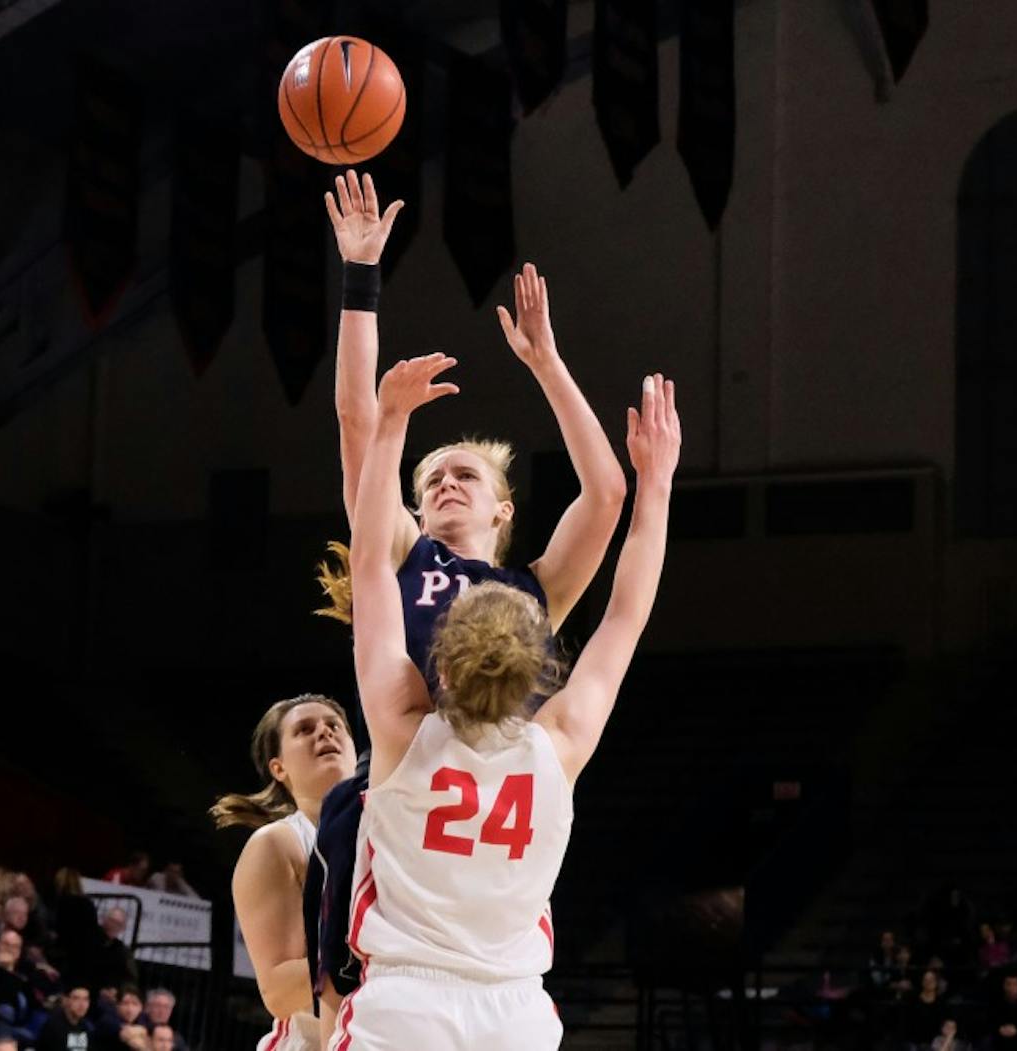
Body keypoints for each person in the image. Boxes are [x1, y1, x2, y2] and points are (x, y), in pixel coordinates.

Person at [309, 170, 626, 1033]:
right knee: (343, 816)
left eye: (466, 475)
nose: (446, 482)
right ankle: (328, 998)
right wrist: (361, 279)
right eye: (432, 479)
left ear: (504, 509)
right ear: (415, 509)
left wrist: (548, 364)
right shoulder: (406, 554)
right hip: (412, 775)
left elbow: (605, 495)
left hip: (501, 796)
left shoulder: (535, 592)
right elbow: (356, 421)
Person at [328, 361, 677, 1048]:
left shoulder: (401, 729)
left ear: (439, 665)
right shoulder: (561, 743)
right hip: (516, 1009)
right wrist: (658, 485)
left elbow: (366, 563)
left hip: (405, 999)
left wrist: (391, 420)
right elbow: (626, 615)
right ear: (539, 671)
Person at [212, 695, 357, 1051]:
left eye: (334, 726)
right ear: (279, 769)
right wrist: (375, 948)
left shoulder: (391, 829)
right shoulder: (278, 843)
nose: (324, 733)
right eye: (305, 730)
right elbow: (279, 993)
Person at [37, 984, 95, 1050]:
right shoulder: (52, 1026)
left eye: (86, 999)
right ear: (65, 1000)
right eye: (76, 998)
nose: (82, 1004)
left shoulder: (86, 1027)